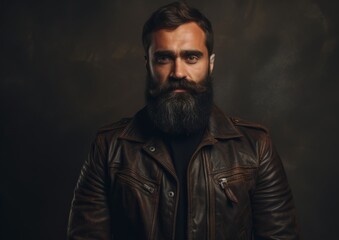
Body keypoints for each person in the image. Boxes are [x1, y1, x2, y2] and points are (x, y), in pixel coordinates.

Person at [67, 1, 299, 239]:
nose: (177, 72)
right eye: (164, 58)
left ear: (210, 64)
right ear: (148, 64)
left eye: (191, 57)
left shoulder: (256, 148)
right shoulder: (109, 148)